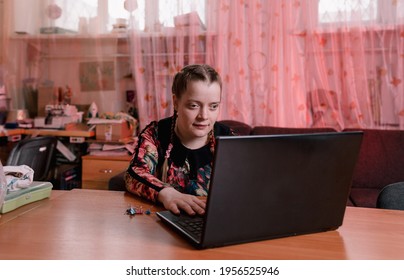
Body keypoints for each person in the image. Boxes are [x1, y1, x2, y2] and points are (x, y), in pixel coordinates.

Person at [125, 64, 234, 216]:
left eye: (213, 106)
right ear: (176, 103)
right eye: (194, 105)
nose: (204, 115)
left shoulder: (227, 138)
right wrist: (166, 193)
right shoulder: (156, 133)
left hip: (214, 222)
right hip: (163, 224)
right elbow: (134, 174)